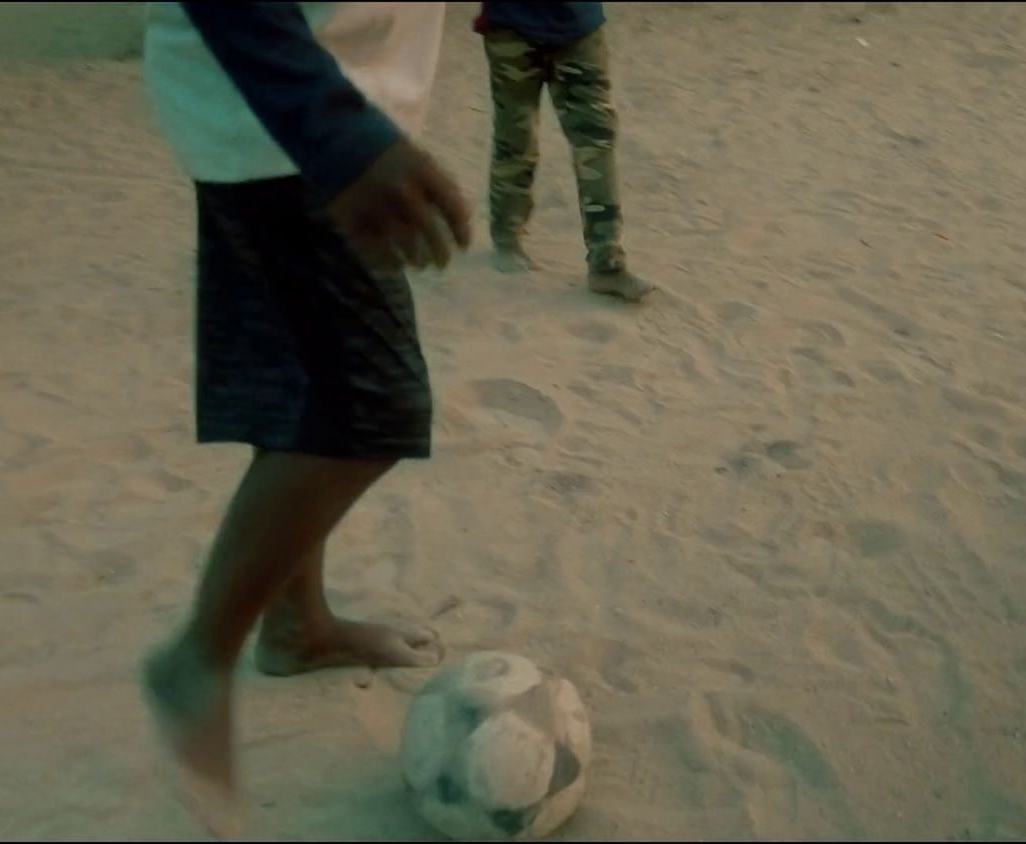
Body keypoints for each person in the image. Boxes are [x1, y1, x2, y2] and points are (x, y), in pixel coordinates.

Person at [137, 0, 470, 827]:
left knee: (303, 383)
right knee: (369, 409)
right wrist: (338, 137)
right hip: (289, 116)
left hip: (279, 106)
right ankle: (197, 660)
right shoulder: (320, 130)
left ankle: (296, 627)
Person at [476, 1, 653, 302]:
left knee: (595, 141)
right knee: (516, 139)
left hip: (578, 28)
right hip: (512, 29)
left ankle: (606, 262)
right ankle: (506, 237)